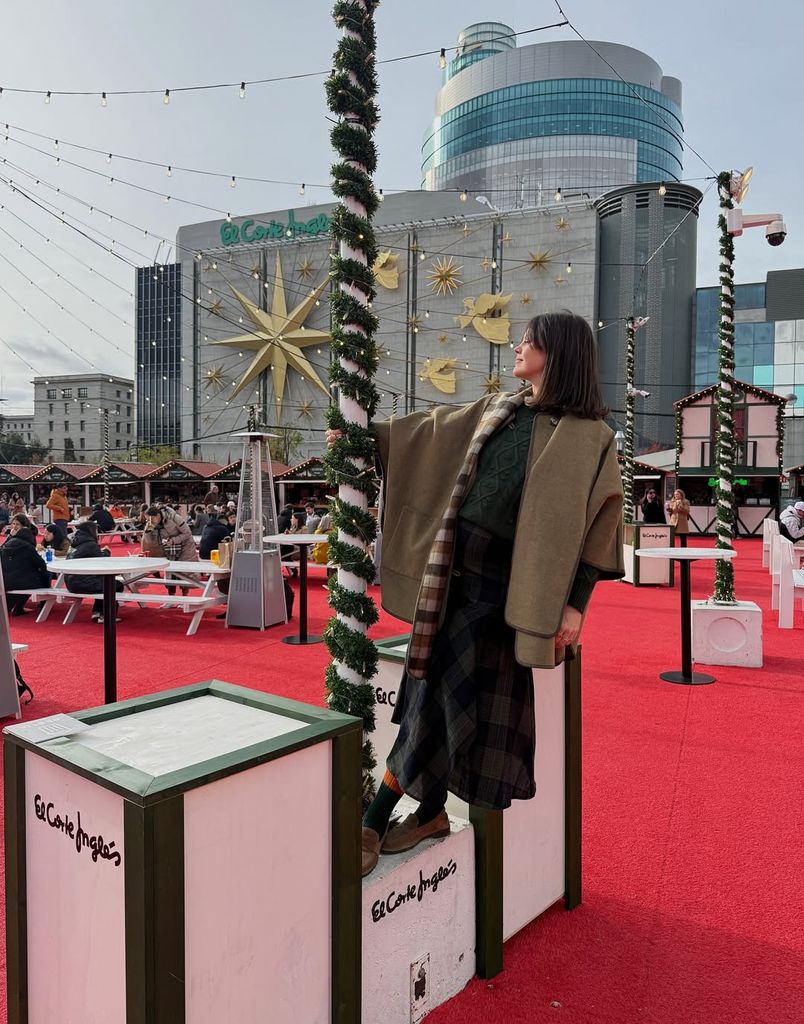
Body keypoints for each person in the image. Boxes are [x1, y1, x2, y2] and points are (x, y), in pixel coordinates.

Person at [329, 310, 625, 877]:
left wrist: (575, 605)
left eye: (529, 338)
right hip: (450, 583)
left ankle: (375, 818)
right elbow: (428, 431)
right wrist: (362, 436)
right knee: (435, 700)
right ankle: (430, 813)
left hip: (506, 596)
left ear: (556, 350)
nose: (518, 345)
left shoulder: (592, 438)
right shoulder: (498, 411)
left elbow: (601, 526)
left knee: (435, 700)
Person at [64, 520, 121, 622]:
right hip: (83, 583)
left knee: (103, 583)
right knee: (114, 585)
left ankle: (97, 612)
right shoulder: (90, 544)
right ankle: (106, 615)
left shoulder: (74, 543)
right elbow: (100, 562)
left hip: (70, 582)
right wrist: (106, 552)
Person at [1, 516, 50, 616]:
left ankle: (10, 607)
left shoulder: (7, 545)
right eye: (13, 524)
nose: (14, 527)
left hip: (5, 580)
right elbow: (40, 564)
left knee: (22, 577)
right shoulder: (28, 547)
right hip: (20, 581)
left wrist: (10, 537)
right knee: (40, 577)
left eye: (17, 524)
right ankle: (41, 604)